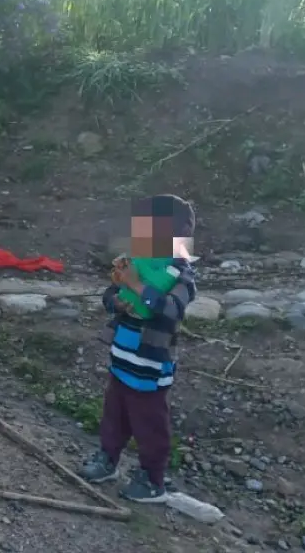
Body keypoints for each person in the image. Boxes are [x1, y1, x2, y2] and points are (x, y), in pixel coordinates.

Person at [79, 194, 198, 503]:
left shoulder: (181, 274)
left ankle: (152, 480)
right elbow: (111, 294)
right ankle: (108, 459)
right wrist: (116, 298)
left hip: (150, 366)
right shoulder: (139, 262)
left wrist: (135, 285)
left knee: (150, 424)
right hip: (122, 360)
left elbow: (171, 310)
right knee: (114, 415)